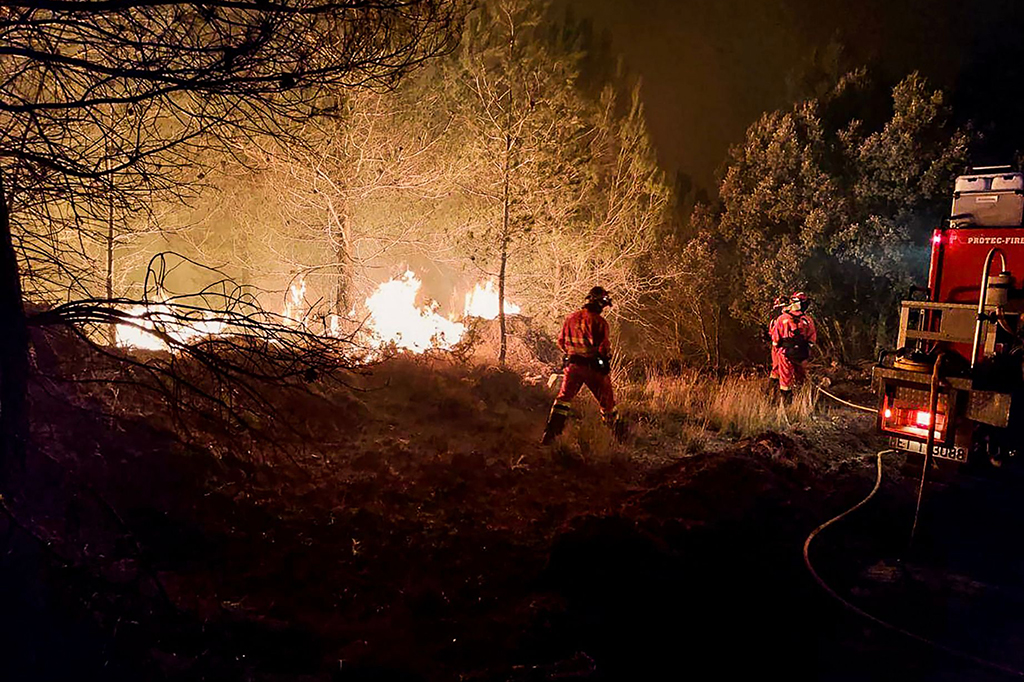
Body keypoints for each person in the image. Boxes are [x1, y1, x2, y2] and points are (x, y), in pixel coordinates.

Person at [541, 286, 620, 444]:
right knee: (607, 401)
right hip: (593, 368)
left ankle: (550, 434)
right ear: (599, 303)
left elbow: (561, 342)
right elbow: (604, 349)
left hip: (573, 367)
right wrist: (604, 358)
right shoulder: (600, 322)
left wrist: (572, 352)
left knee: (563, 399)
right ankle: (616, 435)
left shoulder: (571, 318)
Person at [770, 291, 817, 403]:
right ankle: (804, 399)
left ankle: (785, 402)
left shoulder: (782, 319)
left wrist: (777, 345)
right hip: (802, 353)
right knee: (802, 375)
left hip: (785, 353)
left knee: (785, 377)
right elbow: (812, 338)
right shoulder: (808, 319)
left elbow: (775, 339)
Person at [768, 295, 789, 388]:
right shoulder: (780, 319)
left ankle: (772, 392)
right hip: (781, 347)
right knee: (779, 369)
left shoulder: (776, 319)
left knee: (778, 369)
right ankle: (773, 392)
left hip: (779, 346)